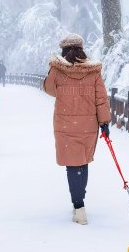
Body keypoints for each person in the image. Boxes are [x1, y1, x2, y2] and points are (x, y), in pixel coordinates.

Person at [43, 33, 110, 225]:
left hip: (65, 125)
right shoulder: (93, 71)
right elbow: (101, 99)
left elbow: (49, 90)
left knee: (72, 165)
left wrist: (53, 66)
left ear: (63, 50)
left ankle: (78, 206)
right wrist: (104, 123)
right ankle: (80, 200)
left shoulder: (58, 69)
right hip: (88, 125)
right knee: (82, 162)